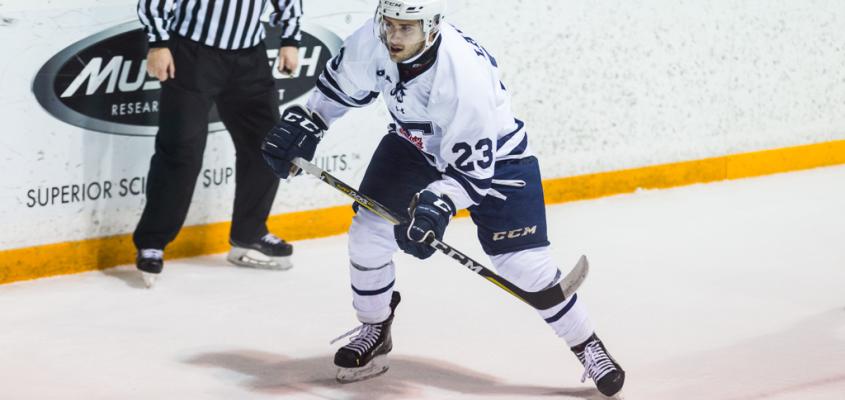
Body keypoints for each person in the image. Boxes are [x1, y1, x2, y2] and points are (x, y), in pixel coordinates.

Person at [261, 0, 625, 396]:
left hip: (498, 159)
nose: (394, 36)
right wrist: (311, 122)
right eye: (390, 24)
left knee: (524, 267)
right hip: (414, 146)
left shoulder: (462, 76)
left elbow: (471, 174)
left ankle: (589, 346)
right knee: (369, 234)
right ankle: (375, 328)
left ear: (431, 27)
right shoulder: (373, 38)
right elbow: (338, 89)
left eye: (407, 28)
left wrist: (437, 205)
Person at [134, 0, 304, 287]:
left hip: (250, 57)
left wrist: (290, 38)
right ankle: (152, 241)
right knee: (181, 150)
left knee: (267, 147)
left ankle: (249, 232)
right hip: (192, 54)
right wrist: (158, 42)